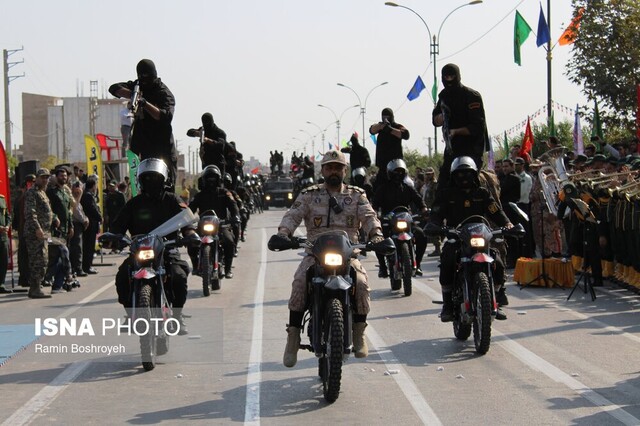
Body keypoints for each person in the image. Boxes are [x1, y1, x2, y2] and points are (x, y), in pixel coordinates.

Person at [275, 150, 384, 368]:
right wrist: (283, 234)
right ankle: (293, 338)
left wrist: (377, 235)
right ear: (323, 170)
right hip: (314, 253)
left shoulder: (356, 195)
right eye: (329, 167)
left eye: (338, 167)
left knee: (361, 283)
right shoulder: (309, 194)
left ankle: (359, 332)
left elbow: (369, 216)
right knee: (299, 282)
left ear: (345, 170)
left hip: (348, 253)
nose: (333, 171)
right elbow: (292, 215)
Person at [111, 158, 197, 334]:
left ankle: (177, 316)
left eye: (155, 178)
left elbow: (186, 219)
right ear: (141, 180)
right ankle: (130, 314)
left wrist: (189, 233)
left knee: (179, 276)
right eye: (147, 178)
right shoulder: (134, 203)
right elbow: (117, 226)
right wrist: (113, 237)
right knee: (122, 276)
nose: (151, 182)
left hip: (167, 250)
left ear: (163, 179)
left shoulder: (172, 200)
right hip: (140, 252)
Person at [427, 157, 513, 321]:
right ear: (453, 176)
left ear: (474, 175)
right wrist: (433, 225)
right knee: (447, 260)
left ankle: (495, 300)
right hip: (457, 237)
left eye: (468, 173)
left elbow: (496, 211)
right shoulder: (447, 194)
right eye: (460, 174)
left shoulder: (482, 192)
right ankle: (447, 304)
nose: (464, 177)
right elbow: (436, 214)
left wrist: (507, 224)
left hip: (480, 235)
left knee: (499, 263)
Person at [109, 59, 177, 188]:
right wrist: (133, 94)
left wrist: (145, 103)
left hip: (163, 149)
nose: (145, 81)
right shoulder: (138, 86)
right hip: (144, 149)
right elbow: (113, 88)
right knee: (145, 187)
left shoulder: (163, 93)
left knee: (166, 188)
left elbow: (165, 116)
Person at [432, 63, 489, 190]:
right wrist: (441, 117)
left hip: (471, 149)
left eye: (452, 76)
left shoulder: (471, 96)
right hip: (452, 150)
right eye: (446, 77)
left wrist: (456, 131)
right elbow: (435, 119)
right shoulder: (443, 96)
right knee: (443, 188)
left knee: (470, 184)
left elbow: (478, 127)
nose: (449, 80)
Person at [373, 159, 429, 277]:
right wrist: (375, 214)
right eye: (395, 172)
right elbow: (375, 204)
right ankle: (382, 267)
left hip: (406, 219)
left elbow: (418, 199)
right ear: (389, 173)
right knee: (378, 239)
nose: (398, 174)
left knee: (422, 235)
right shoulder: (382, 188)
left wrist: (424, 209)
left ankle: (417, 264)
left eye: (401, 172)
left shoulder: (408, 188)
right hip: (388, 221)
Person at [188, 166, 239, 279]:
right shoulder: (199, 195)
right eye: (209, 178)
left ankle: (228, 269)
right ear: (204, 180)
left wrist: (235, 216)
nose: (211, 181)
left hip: (221, 225)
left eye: (213, 178)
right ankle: (196, 266)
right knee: (191, 241)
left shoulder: (224, 193)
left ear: (218, 179)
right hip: (203, 226)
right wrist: (185, 220)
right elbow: (190, 209)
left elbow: (233, 205)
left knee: (229, 241)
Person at [23, 168, 56, 298]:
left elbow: (46, 211)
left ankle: (36, 287)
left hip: (44, 232)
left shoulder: (42, 192)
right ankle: (35, 288)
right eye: (42, 177)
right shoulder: (32, 192)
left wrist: (55, 219)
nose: (45, 179)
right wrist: (37, 228)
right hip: (35, 233)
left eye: (47, 177)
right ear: (36, 178)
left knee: (43, 259)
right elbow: (30, 212)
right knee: (38, 260)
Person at [45, 166, 75, 293]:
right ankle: (67, 276)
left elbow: (69, 212)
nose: (64, 177)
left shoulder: (65, 193)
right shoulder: (51, 192)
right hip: (54, 231)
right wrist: (55, 218)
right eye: (61, 175)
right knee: (64, 253)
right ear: (56, 177)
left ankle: (57, 286)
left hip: (65, 229)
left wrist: (71, 226)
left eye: (65, 176)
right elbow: (47, 209)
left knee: (59, 258)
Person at [369, 108, 410, 190]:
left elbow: (406, 134)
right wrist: (382, 126)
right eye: (384, 116)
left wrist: (390, 129)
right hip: (383, 167)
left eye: (387, 116)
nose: (386, 118)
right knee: (378, 190)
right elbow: (371, 130)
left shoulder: (397, 126)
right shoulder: (380, 127)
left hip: (396, 167)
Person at [80, 178, 102, 275]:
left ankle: (88, 265)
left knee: (89, 246)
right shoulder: (87, 196)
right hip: (90, 225)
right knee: (88, 246)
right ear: (93, 186)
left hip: (91, 224)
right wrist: (100, 217)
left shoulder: (88, 195)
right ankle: (87, 266)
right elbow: (92, 209)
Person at [70, 182, 89, 277]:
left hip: (78, 225)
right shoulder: (73, 198)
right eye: (76, 187)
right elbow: (76, 211)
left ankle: (77, 268)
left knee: (77, 248)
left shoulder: (78, 199)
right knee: (77, 248)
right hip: (75, 225)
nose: (78, 190)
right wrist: (84, 220)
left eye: (80, 187)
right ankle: (77, 269)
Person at [0, 193, 11, 293]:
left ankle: (1, 284)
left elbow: (8, 216)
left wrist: (7, 226)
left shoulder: (2, 199)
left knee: (4, 260)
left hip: (3, 236)